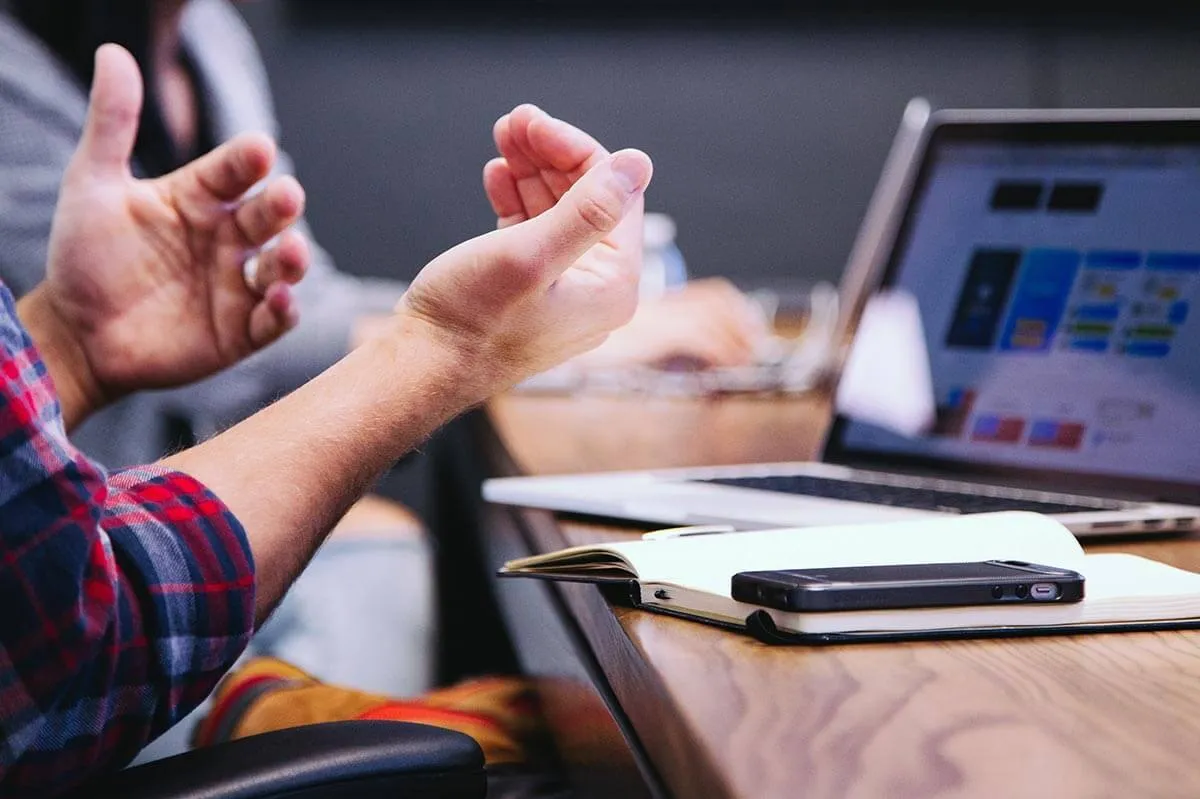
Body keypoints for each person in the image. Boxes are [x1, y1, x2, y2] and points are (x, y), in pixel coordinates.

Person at [0, 0, 769, 711]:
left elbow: (283, 296)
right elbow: (73, 633)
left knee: (389, 548)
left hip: (120, 547)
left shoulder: (207, 34)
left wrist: (69, 345)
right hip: (96, 626)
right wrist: (457, 341)